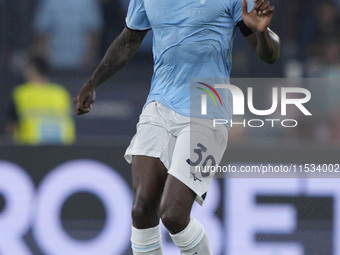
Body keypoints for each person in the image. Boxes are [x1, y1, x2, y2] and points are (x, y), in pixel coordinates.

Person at [74, 0, 280, 254]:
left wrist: (262, 33)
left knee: (173, 214)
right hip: (159, 106)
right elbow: (129, 41)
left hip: (208, 111)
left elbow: (269, 55)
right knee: (141, 209)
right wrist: (93, 83)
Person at [6, 53, 75, 144]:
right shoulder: (61, 93)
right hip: (61, 147)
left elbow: (12, 126)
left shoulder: (21, 93)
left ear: (32, 69)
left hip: (29, 148)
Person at [33, 0, 103, 70]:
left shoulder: (87, 2)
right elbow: (42, 33)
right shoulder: (49, 2)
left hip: (81, 65)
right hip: (54, 64)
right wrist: (45, 60)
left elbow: (93, 32)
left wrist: (89, 58)